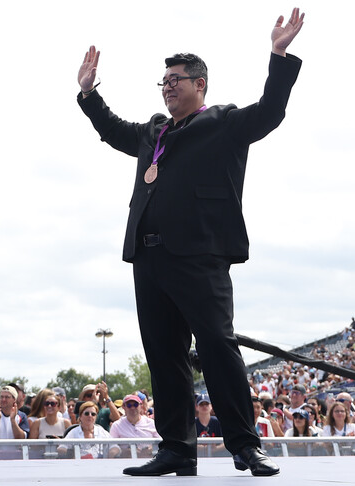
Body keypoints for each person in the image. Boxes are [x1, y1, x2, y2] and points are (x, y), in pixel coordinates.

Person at [76, 7, 304, 477]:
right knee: (163, 355)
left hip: (200, 256)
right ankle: (177, 449)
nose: (167, 86)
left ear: (200, 84)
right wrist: (87, 94)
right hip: (149, 256)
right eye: (163, 81)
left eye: (176, 79)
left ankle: (245, 445)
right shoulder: (154, 132)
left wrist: (278, 55)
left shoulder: (223, 122)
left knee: (218, 347)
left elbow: (270, 112)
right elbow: (114, 130)